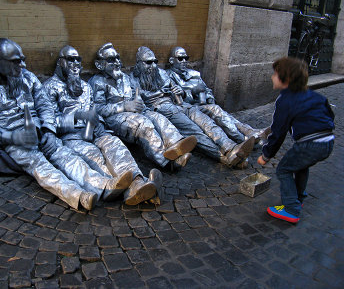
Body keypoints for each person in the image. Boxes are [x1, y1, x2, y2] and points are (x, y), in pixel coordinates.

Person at [0, 38, 132, 211]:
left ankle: (103, 186)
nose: (23, 65)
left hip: (41, 132)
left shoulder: (29, 78)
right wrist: (12, 136)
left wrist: (48, 130)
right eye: (16, 61)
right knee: (40, 165)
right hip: (15, 139)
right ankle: (78, 196)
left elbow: (45, 107)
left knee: (67, 157)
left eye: (23, 59)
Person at [42, 45, 162, 205]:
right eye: (71, 59)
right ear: (60, 62)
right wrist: (78, 117)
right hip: (73, 136)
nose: (75, 63)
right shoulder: (49, 88)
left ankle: (138, 182)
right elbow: (50, 123)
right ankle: (122, 189)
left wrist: (99, 123)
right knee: (95, 156)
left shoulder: (85, 87)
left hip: (96, 131)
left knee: (116, 146)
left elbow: (95, 110)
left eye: (78, 59)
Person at [129, 46, 255, 167]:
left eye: (155, 61)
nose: (153, 65)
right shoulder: (133, 78)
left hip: (180, 104)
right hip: (163, 109)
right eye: (148, 62)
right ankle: (224, 157)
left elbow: (174, 88)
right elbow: (140, 98)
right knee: (195, 131)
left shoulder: (161, 73)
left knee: (207, 122)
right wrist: (162, 92)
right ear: (139, 63)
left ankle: (230, 147)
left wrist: (180, 91)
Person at [88, 42, 197, 171]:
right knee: (143, 124)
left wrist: (140, 104)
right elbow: (98, 109)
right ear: (100, 64)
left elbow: (135, 95)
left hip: (136, 112)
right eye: (111, 60)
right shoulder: (97, 82)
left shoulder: (125, 77)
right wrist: (124, 106)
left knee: (157, 117)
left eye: (118, 58)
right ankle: (167, 161)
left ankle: (177, 146)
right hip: (114, 118)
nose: (117, 62)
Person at [257, 57, 335, 223]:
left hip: (309, 144)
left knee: (283, 170)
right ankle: (298, 199)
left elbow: (278, 132)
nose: (272, 77)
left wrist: (266, 155)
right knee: (301, 166)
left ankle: (291, 209)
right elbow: (329, 115)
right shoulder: (315, 96)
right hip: (328, 141)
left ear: (286, 79)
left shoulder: (285, 100)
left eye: (275, 74)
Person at [167, 46, 270, 147]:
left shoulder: (194, 74)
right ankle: (242, 139)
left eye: (186, 58)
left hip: (205, 104)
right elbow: (177, 101)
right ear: (172, 60)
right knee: (216, 110)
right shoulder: (168, 77)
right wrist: (190, 93)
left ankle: (249, 132)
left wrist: (210, 98)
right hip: (191, 108)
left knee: (223, 115)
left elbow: (207, 90)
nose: (184, 61)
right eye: (180, 59)